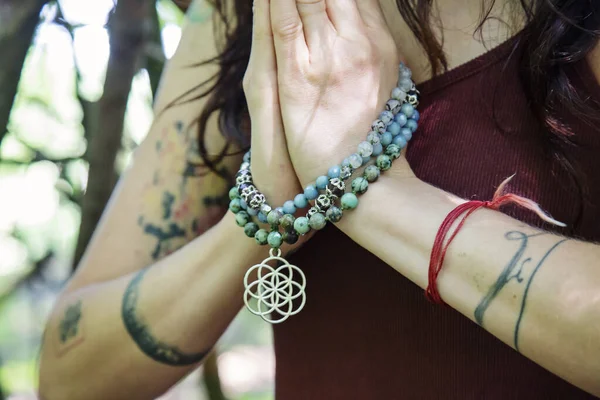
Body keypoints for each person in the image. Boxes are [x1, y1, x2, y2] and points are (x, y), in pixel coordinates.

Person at [38, 0, 600, 399]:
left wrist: (373, 193)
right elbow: (71, 378)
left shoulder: (577, 20)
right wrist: (271, 210)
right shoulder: (235, 20)